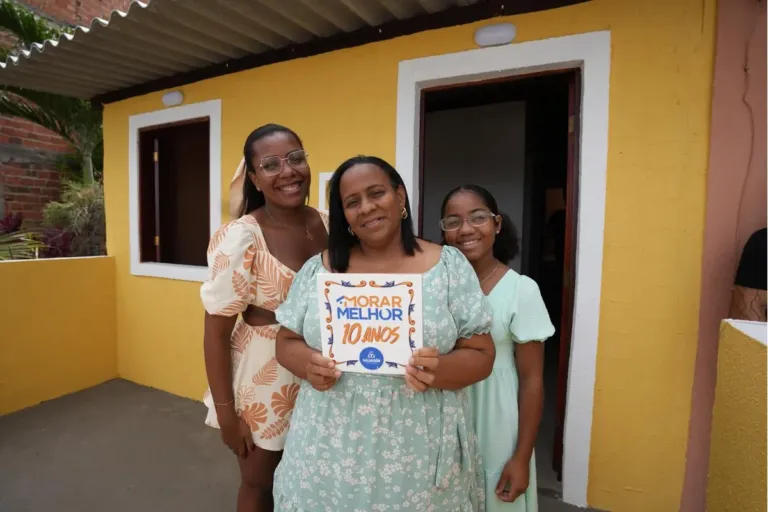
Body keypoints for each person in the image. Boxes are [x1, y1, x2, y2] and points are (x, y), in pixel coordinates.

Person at [272, 156, 496, 511]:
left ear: (400, 197)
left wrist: (440, 369)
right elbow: (285, 341)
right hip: (327, 450)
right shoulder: (320, 270)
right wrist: (308, 364)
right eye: (352, 202)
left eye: (377, 193)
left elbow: (482, 354)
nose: (366, 208)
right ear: (343, 215)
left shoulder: (449, 267)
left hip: (418, 455)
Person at [200, 124, 329, 512]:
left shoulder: (330, 222)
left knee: (315, 478)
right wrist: (227, 415)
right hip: (266, 380)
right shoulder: (241, 237)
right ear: (254, 178)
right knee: (260, 485)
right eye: (270, 164)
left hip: (325, 369)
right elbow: (216, 333)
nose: (288, 171)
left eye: (295, 158)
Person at [440, 185, 554, 512]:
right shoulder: (436, 288)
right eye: (453, 221)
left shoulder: (521, 290)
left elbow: (532, 379)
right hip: (445, 416)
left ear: (497, 224)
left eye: (478, 218)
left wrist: (521, 456)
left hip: (498, 424)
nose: (466, 230)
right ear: (444, 231)